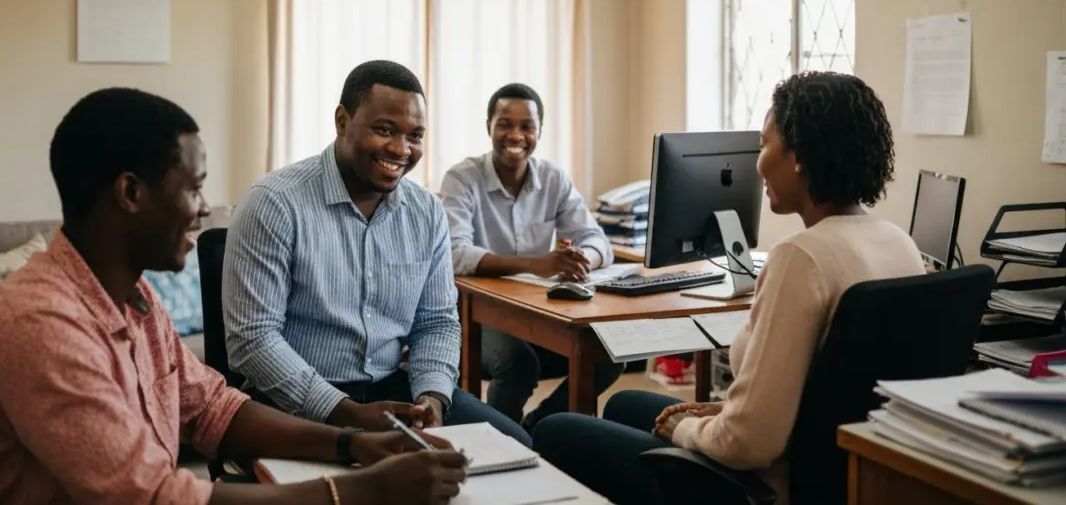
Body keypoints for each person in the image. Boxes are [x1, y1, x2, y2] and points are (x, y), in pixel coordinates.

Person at [0, 87, 469, 505]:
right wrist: (357, 489)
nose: (205, 209)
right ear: (131, 193)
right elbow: (156, 498)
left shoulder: (130, 298)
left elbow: (210, 407)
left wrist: (351, 444)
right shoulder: (42, 327)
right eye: (194, 186)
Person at [531, 71, 926, 505]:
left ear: (799, 156)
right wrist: (722, 410)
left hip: (763, 484)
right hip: (839, 469)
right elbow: (832, 392)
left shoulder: (800, 258)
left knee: (557, 431)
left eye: (765, 144)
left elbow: (749, 443)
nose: (758, 163)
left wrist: (687, 429)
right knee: (626, 405)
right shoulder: (898, 243)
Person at [223, 60, 530, 446]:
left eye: (415, 136)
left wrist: (433, 396)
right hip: (291, 401)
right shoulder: (274, 204)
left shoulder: (426, 211)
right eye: (384, 130)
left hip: (391, 391)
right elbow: (252, 340)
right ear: (341, 121)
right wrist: (345, 411)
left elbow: (436, 323)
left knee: (515, 447)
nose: (401, 149)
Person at [439, 83, 624, 431]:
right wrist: (538, 266)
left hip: (538, 307)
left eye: (527, 126)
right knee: (517, 363)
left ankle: (537, 429)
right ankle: (498, 442)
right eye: (505, 124)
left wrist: (581, 259)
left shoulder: (553, 179)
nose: (516, 135)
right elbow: (454, 254)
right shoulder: (462, 178)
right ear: (489, 127)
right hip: (476, 313)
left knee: (606, 354)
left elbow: (599, 241)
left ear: (539, 131)